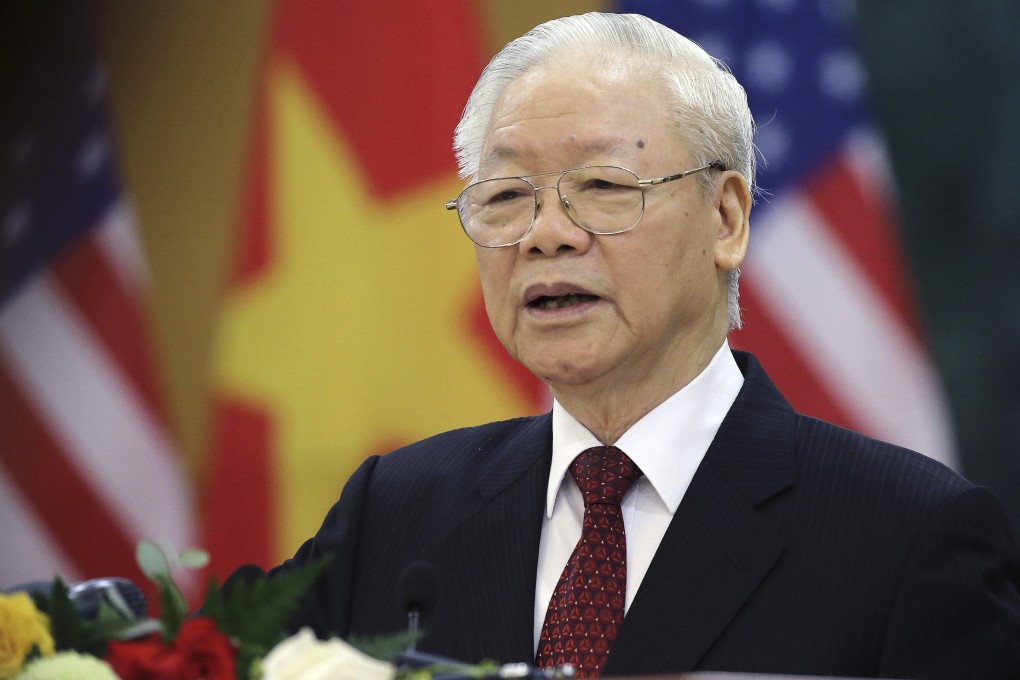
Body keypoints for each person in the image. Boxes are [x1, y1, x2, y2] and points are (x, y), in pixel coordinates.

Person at [265, 12, 1020, 679]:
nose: (546, 234)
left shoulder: (908, 537)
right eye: (504, 198)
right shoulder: (392, 513)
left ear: (725, 219)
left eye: (602, 187)